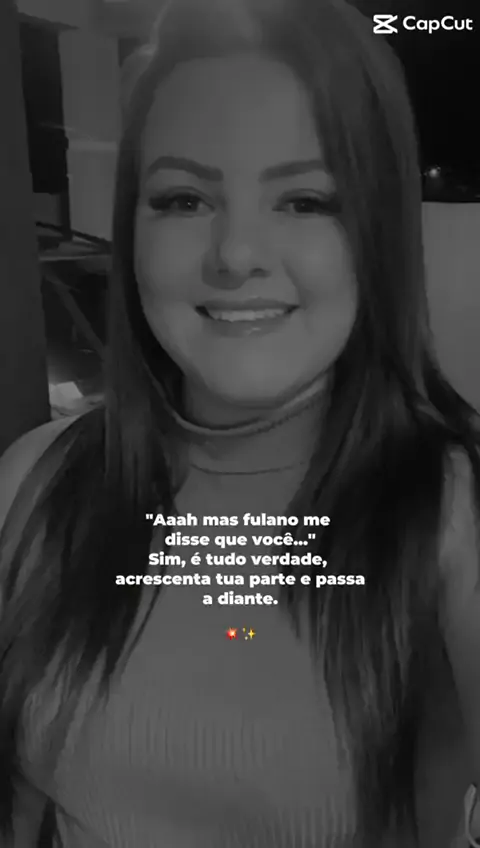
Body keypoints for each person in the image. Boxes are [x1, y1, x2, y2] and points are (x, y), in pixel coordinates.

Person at [0, 0, 479, 845]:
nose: (235, 255)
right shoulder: (37, 480)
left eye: (305, 201)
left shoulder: (454, 506)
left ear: (378, 233)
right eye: (184, 199)